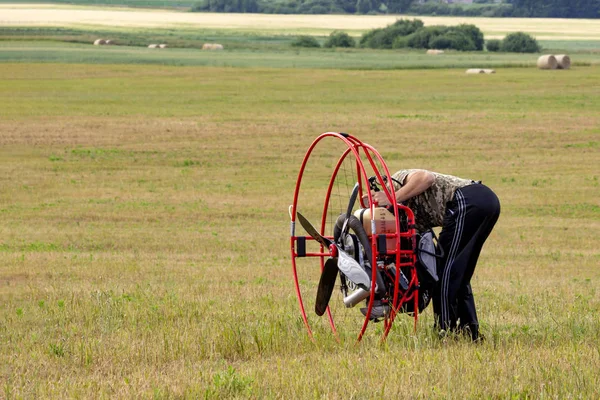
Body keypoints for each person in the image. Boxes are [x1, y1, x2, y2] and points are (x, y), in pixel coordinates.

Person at [368, 169, 500, 341]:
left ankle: (445, 330)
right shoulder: (405, 216)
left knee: (443, 271)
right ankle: (470, 331)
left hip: (467, 200)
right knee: (460, 273)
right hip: (486, 202)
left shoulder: (397, 180)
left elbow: (426, 178)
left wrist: (391, 197)